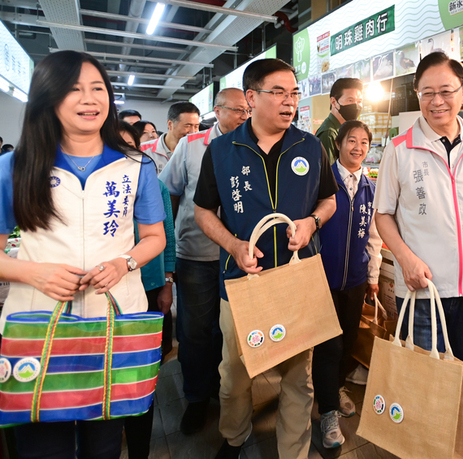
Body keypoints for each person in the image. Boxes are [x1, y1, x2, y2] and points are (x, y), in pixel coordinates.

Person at [0, 50, 166, 459]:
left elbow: (154, 238)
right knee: (43, 445)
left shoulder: (135, 166)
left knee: (105, 444)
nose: (89, 99)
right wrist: (34, 273)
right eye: (74, 89)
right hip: (41, 326)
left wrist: (124, 262)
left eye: (98, 88)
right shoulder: (16, 166)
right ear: (48, 98)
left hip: (112, 324)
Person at [193, 58, 338, 459]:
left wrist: (312, 222)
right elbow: (203, 211)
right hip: (242, 282)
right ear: (252, 97)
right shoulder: (222, 150)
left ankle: (293, 451)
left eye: (294, 93)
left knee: (298, 378)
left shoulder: (309, 145)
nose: (289, 101)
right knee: (234, 376)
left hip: (298, 277)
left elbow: (329, 199)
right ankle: (234, 437)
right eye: (279, 92)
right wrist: (233, 245)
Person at [374, 51, 463, 366]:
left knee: (460, 378)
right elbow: (382, 215)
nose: (437, 101)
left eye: (446, 91)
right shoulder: (399, 149)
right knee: (423, 385)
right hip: (423, 290)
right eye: (427, 93)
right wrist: (405, 260)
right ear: (418, 94)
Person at [159, 87, 250, 436]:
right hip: (196, 255)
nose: (244, 116)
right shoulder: (192, 145)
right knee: (195, 331)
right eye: (237, 110)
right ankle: (196, 398)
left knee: (227, 332)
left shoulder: (251, 146)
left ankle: (220, 389)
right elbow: (171, 193)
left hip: (238, 258)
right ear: (218, 110)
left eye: (247, 110)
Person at [313, 120, 382, 449]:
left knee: (349, 340)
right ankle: (327, 414)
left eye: (364, 142)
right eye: (351, 141)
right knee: (329, 347)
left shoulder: (369, 186)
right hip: (322, 280)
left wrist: (372, 277)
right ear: (338, 144)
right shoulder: (322, 182)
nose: (358, 147)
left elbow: (374, 236)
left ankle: (335, 388)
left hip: (355, 280)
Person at [119, 122, 176, 459]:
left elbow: (165, 236)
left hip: (151, 287)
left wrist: (168, 282)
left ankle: (139, 437)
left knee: (145, 368)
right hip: (110, 294)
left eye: (131, 145)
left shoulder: (154, 185)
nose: (126, 153)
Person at [140, 102, 200, 174]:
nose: (193, 132)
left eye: (196, 126)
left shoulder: (199, 151)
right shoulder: (143, 151)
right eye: (187, 126)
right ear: (170, 124)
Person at [316, 78, 364, 162]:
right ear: (334, 102)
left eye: (359, 101)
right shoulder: (329, 133)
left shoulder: (344, 130)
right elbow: (328, 172)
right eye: (350, 100)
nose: (356, 106)